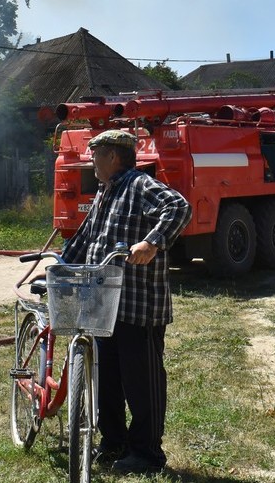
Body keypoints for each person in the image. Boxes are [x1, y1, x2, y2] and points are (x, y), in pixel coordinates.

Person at [61, 130, 191, 475]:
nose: (90, 158)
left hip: (138, 305)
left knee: (141, 382)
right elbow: (86, 239)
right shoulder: (106, 193)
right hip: (104, 306)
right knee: (108, 380)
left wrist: (152, 242)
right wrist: (57, 268)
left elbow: (178, 206)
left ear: (114, 156)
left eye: (95, 152)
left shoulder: (138, 184)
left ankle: (147, 453)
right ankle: (113, 441)